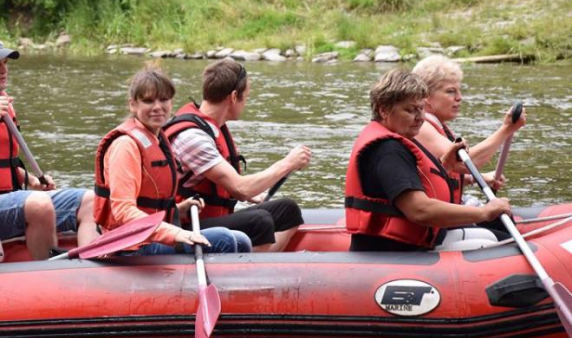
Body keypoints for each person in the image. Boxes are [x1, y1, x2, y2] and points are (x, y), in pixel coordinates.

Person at [0, 36, 98, 259]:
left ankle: (90, 269)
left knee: (90, 200)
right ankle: (47, 275)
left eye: (5, 63)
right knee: (39, 205)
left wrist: (30, 180)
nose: (3, 69)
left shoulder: (0, 100)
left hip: (10, 197)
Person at [345, 68, 512, 252]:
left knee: (499, 239)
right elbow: (420, 210)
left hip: (417, 242)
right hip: (392, 252)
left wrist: (445, 167)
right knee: (503, 248)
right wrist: (484, 213)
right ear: (383, 110)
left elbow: (418, 182)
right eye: (410, 110)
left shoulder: (398, 138)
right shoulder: (387, 151)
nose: (420, 118)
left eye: (421, 109)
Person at [94, 63, 251, 255]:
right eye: (148, 101)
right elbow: (123, 211)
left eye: (164, 100)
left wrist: (177, 210)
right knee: (223, 239)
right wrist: (174, 232)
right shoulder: (125, 146)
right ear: (133, 104)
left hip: (152, 237)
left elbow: (150, 204)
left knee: (241, 240)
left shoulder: (159, 140)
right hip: (129, 246)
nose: (158, 107)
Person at [164, 59, 310, 252]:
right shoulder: (193, 138)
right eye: (246, 97)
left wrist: (251, 192)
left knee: (288, 210)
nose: (246, 103)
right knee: (260, 221)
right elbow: (241, 188)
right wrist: (287, 164)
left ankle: (268, 265)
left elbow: (231, 186)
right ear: (234, 96)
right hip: (185, 226)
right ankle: (252, 274)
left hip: (208, 218)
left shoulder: (213, 128)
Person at [413, 55, 527, 200]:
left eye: (459, 91)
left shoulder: (438, 126)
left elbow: (444, 170)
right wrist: (506, 129)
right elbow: (465, 164)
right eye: (450, 91)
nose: (459, 97)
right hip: (435, 219)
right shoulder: (420, 127)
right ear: (426, 96)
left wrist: (474, 179)